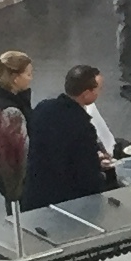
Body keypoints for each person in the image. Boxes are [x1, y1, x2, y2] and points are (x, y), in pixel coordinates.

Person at [21, 63, 112, 209]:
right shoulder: (82, 126)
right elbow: (88, 178)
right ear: (86, 94)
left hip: (35, 192)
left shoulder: (43, 108)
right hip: (65, 203)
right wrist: (101, 174)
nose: (100, 92)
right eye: (98, 89)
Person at [0, 49, 32, 203]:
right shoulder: (11, 112)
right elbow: (21, 157)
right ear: (15, 78)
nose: (31, 78)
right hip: (19, 185)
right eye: (28, 74)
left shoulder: (1, 100)